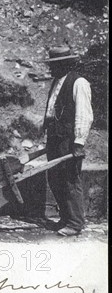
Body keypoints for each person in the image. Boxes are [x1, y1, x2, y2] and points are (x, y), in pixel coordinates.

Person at [42, 46, 93, 236]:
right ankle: (65, 218)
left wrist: (79, 142)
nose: (51, 69)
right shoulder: (56, 81)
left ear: (65, 64)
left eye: (54, 65)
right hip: (55, 138)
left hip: (69, 141)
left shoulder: (79, 83)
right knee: (55, 178)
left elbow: (84, 115)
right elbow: (51, 110)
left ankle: (75, 223)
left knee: (70, 180)